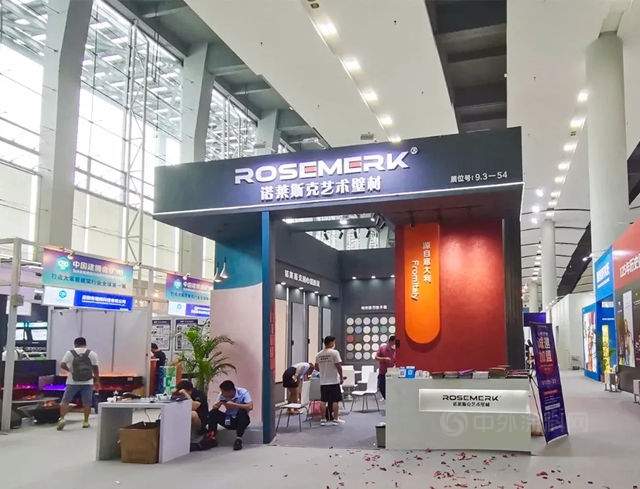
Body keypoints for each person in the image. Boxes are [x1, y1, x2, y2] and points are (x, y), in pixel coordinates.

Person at [57, 337, 99, 430]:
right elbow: (95, 368)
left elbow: (62, 364)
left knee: (65, 401)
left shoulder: (70, 353)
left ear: (75, 344)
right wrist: (97, 381)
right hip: (88, 382)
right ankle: (86, 422)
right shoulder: (92, 353)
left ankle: (62, 419)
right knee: (87, 402)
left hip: (72, 382)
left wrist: (70, 370)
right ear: (85, 344)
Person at [208, 380, 253, 451]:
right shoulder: (221, 395)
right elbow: (214, 408)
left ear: (230, 391)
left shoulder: (243, 392)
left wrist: (235, 405)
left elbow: (250, 406)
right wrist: (218, 404)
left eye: (223, 392)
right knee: (213, 412)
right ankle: (211, 437)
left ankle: (239, 439)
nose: (222, 393)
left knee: (242, 411)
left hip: (241, 421)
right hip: (229, 420)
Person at [315, 335, 344, 426]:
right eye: (334, 342)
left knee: (323, 401)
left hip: (323, 382)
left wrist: (323, 371)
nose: (334, 344)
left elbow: (316, 367)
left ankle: (323, 419)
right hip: (334, 381)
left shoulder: (319, 354)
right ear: (331, 342)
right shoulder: (334, 353)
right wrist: (341, 377)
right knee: (335, 400)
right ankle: (336, 418)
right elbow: (338, 366)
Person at [173, 380, 209, 446]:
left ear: (189, 391)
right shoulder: (179, 394)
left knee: (192, 414)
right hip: (184, 417)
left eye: (183, 393)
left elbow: (193, 407)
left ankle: (193, 436)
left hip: (201, 419)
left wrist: (186, 394)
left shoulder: (199, 394)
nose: (182, 395)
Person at [375, 335, 396, 399]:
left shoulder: (395, 350)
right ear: (390, 341)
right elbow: (376, 358)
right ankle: (387, 399)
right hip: (383, 373)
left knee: (392, 390)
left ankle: (390, 401)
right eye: (394, 342)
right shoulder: (382, 348)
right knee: (381, 387)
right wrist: (384, 359)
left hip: (392, 374)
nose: (394, 344)